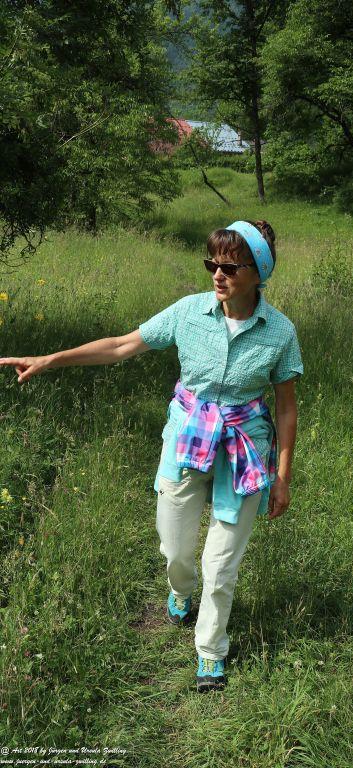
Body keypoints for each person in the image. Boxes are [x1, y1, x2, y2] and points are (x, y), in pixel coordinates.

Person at [0, 219, 303, 694]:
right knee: (176, 552)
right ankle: (179, 592)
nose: (217, 274)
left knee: (220, 566)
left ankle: (210, 651)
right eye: (211, 263)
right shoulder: (187, 313)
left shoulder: (279, 332)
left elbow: (286, 407)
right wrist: (49, 359)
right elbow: (121, 345)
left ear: (258, 272)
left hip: (244, 451)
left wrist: (282, 476)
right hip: (185, 441)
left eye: (229, 266)